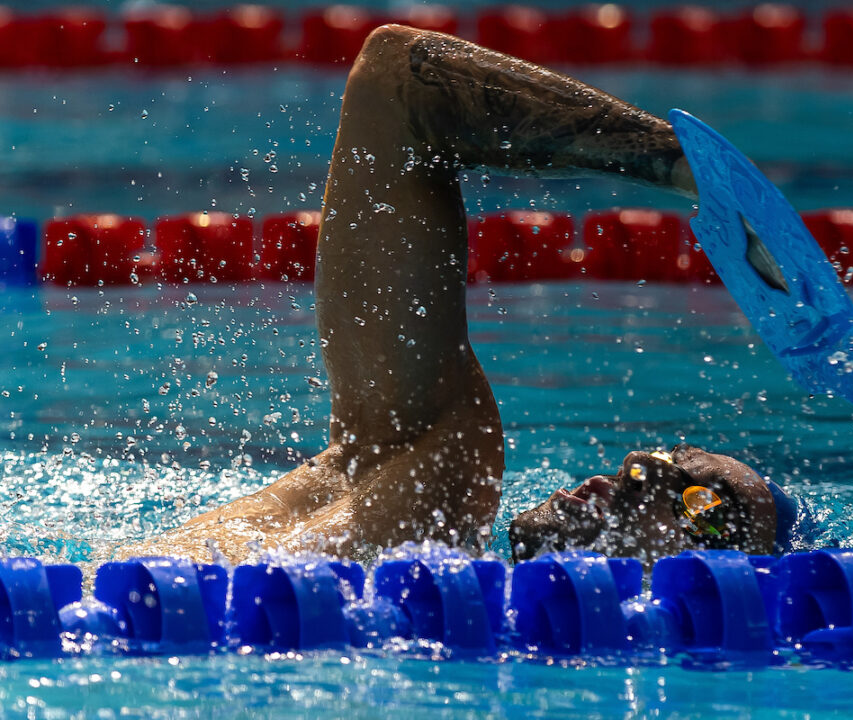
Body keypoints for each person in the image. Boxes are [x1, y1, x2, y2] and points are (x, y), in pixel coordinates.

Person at [120, 24, 790, 567]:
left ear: (716, 598)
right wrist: (685, 165)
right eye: (665, 463)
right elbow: (398, 78)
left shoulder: (429, 504)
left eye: (702, 501)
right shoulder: (416, 480)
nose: (639, 467)